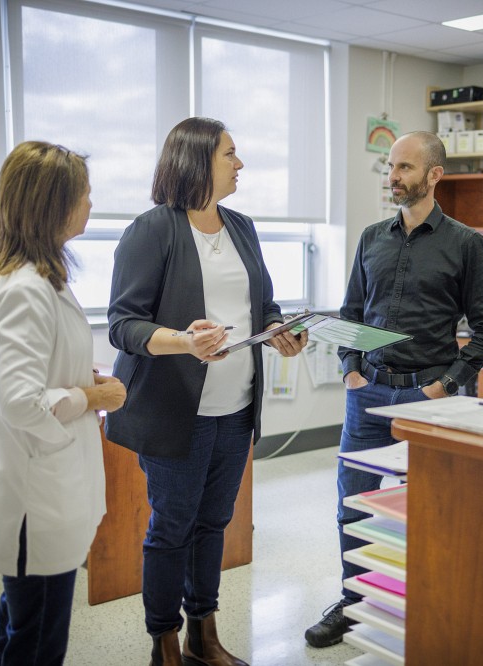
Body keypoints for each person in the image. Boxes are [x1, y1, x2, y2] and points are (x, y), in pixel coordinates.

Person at [106, 117, 307, 666]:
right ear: (197, 160)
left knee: (213, 524)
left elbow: (262, 305)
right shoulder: (152, 230)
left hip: (236, 408)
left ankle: (203, 634)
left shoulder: (241, 226)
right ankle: (164, 643)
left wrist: (280, 330)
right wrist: (182, 341)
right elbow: (123, 324)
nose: (240, 164)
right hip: (176, 411)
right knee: (172, 528)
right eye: (230, 154)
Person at [304, 131, 483, 648]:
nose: (393, 177)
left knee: (429, 511)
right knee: (353, 505)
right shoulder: (372, 237)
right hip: (367, 393)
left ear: (434, 175)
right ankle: (353, 602)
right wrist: (350, 370)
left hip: (428, 399)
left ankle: (428, 607)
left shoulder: (465, 244)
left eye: (405, 168)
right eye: (390, 167)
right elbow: (351, 313)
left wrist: (445, 386)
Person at [0, 141, 128, 665]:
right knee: (37, 638)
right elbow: (21, 402)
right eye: (83, 194)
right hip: (33, 498)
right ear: (53, 205)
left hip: (40, 487)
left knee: (21, 625)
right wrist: (92, 395)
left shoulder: (35, 280)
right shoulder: (26, 290)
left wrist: (79, 379)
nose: (90, 204)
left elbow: (37, 372)